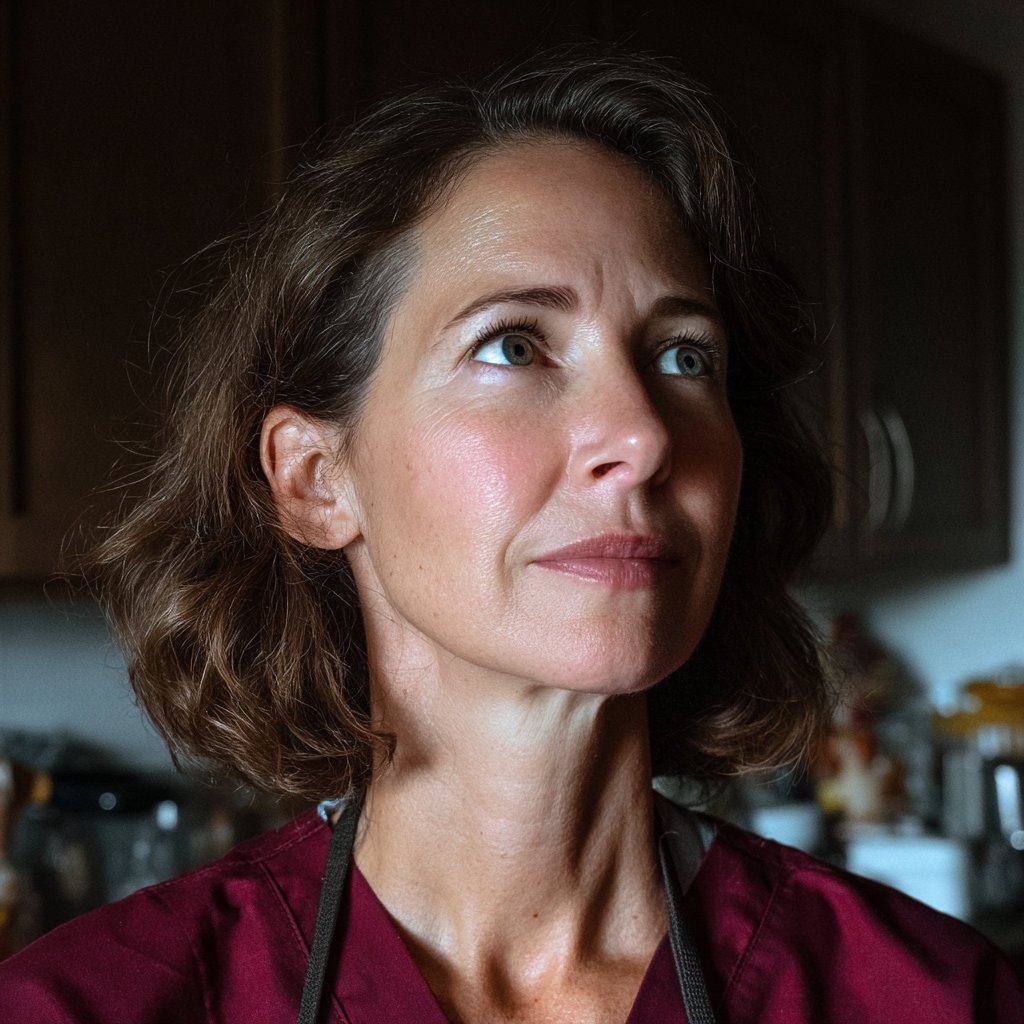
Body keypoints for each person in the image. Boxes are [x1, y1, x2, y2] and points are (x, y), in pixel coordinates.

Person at [1, 48, 1019, 1023]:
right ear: (316, 479)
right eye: (515, 345)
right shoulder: (81, 1008)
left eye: (682, 356)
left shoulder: (934, 1001)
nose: (642, 436)